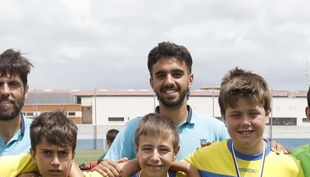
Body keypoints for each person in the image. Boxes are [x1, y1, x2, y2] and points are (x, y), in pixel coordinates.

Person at [98, 42, 229, 165]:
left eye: (177, 74)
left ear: (190, 79)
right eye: (161, 75)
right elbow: (107, 174)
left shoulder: (216, 130)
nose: (169, 81)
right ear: (152, 82)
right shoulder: (132, 130)